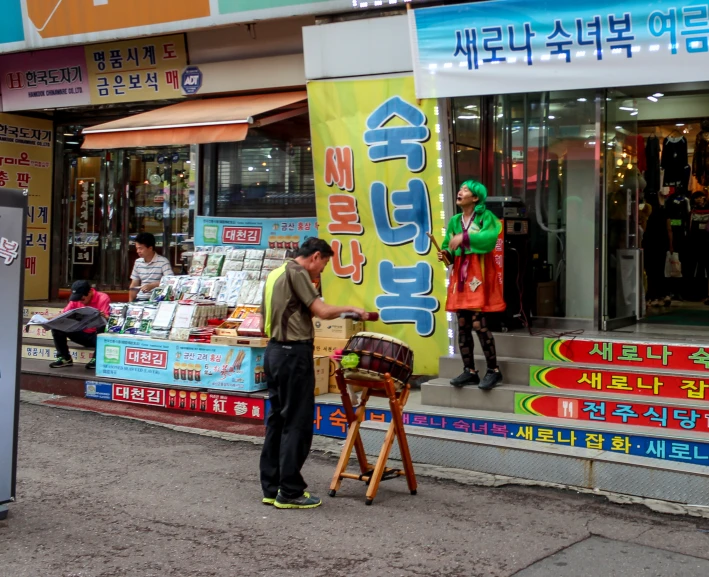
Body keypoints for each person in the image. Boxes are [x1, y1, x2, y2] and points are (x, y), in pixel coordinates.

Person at [259, 238, 368, 510]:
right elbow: (320, 310)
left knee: (277, 421)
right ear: (315, 256)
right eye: (324, 264)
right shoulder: (297, 272)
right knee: (297, 422)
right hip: (293, 354)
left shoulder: (275, 272)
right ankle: (291, 491)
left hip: (273, 351)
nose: (321, 271)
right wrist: (350, 309)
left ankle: (272, 488)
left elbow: (262, 321)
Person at [438, 180, 505, 391]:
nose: (460, 191)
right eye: (461, 189)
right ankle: (470, 371)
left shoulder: (487, 217)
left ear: (475, 198)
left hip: (480, 274)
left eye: (465, 190)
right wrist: (446, 254)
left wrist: (464, 237)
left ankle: (493, 370)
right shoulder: (455, 220)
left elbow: (489, 238)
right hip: (461, 276)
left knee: (479, 323)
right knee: (463, 324)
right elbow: (448, 245)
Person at [49, 280, 111, 370]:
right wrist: (50, 320)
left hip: (96, 336)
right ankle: (65, 357)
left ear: (90, 292)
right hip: (81, 333)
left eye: (82, 299)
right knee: (57, 326)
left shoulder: (103, 298)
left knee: (102, 324)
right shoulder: (75, 300)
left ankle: (97, 358)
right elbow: (64, 314)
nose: (80, 302)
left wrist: (103, 316)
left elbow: (107, 319)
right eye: (77, 299)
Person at [129, 232, 173, 301]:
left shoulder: (163, 262)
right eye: (137, 248)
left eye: (140, 248)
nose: (138, 251)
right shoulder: (138, 262)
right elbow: (134, 284)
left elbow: (170, 282)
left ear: (150, 248)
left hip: (157, 299)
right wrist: (130, 302)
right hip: (140, 298)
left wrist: (152, 286)